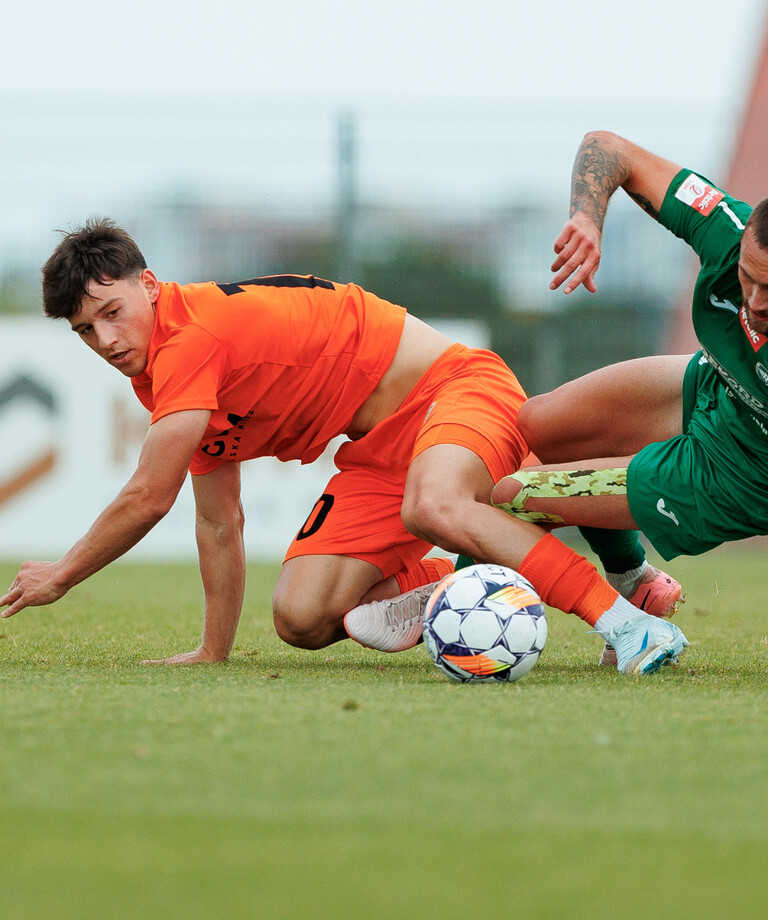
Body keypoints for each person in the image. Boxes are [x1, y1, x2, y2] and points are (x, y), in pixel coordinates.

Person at [0, 218, 687, 674]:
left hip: (457, 389)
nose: (107, 340)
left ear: (149, 286)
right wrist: (214, 651)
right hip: (383, 449)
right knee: (302, 617)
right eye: (87, 331)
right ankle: (464, 576)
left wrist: (61, 573)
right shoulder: (165, 377)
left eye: (112, 313)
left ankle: (626, 622)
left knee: (439, 505)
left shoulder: (190, 338)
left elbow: (149, 498)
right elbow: (217, 518)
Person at [492, 129, 768, 665]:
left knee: (513, 496)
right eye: (748, 277)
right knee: (540, 424)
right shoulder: (727, 229)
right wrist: (588, 219)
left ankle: (621, 624)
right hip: (713, 388)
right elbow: (610, 149)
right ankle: (633, 580)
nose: (754, 302)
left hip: (737, 476)